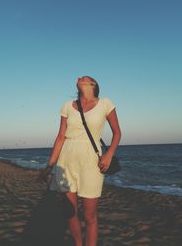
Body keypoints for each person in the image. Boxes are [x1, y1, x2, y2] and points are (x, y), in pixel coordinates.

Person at [40, 75, 121, 246]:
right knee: (70, 212)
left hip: (91, 162)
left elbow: (117, 133)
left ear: (93, 84)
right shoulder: (67, 106)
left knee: (90, 215)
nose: (79, 78)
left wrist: (109, 154)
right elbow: (61, 137)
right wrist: (50, 166)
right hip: (66, 160)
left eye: (84, 77)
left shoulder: (105, 103)